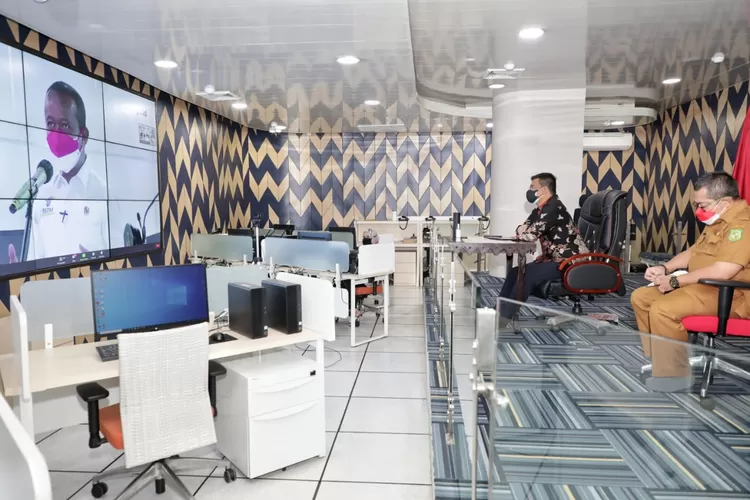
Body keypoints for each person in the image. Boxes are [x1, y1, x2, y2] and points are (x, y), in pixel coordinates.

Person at [631, 172, 750, 392]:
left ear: (724, 202)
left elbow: (723, 271)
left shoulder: (742, 225)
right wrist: (665, 268)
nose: (698, 211)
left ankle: (675, 375)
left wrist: (675, 282)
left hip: (732, 295)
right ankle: (663, 361)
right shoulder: (719, 219)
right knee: (642, 297)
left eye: (702, 205)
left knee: (664, 309)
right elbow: (694, 252)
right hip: (704, 288)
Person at [28, 81, 107, 260]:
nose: (56, 136)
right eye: (50, 123)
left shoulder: (105, 191)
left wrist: (97, 264)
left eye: (64, 125)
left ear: (83, 136)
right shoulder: (42, 194)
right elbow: (36, 259)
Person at [499, 173, 588, 320]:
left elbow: (530, 235)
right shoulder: (539, 210)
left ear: (544, 190)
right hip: (554, 259)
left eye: (532, 187)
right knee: (515, 272)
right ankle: (498, 312)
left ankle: (505, 318)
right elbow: (522, 228)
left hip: (569, 261)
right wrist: (522, 230)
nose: (529, 190)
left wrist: (523, 231)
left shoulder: (553, 207)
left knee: (525, 275)